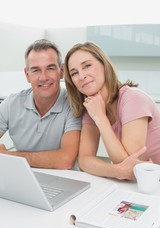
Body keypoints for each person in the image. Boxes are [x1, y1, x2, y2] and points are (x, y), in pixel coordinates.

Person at [64, 42, 160, 180]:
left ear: (104, 65)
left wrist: (101, 118)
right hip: (141, 184)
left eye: (87, 66)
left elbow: (129, 165)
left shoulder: (133, 98)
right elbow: (84, 160)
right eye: (74, 73)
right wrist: (116, 171)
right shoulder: (92, 107)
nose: (81, 76)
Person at [0, 39, 82, 169]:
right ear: (27, 75)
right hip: (24, 178)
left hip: (65, 182)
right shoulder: (11, 103)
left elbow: (65, 160)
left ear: (61, 71)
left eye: (50, 68)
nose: (43, 77)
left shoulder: (74, 104)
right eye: (36, 70)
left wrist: (9, 156)